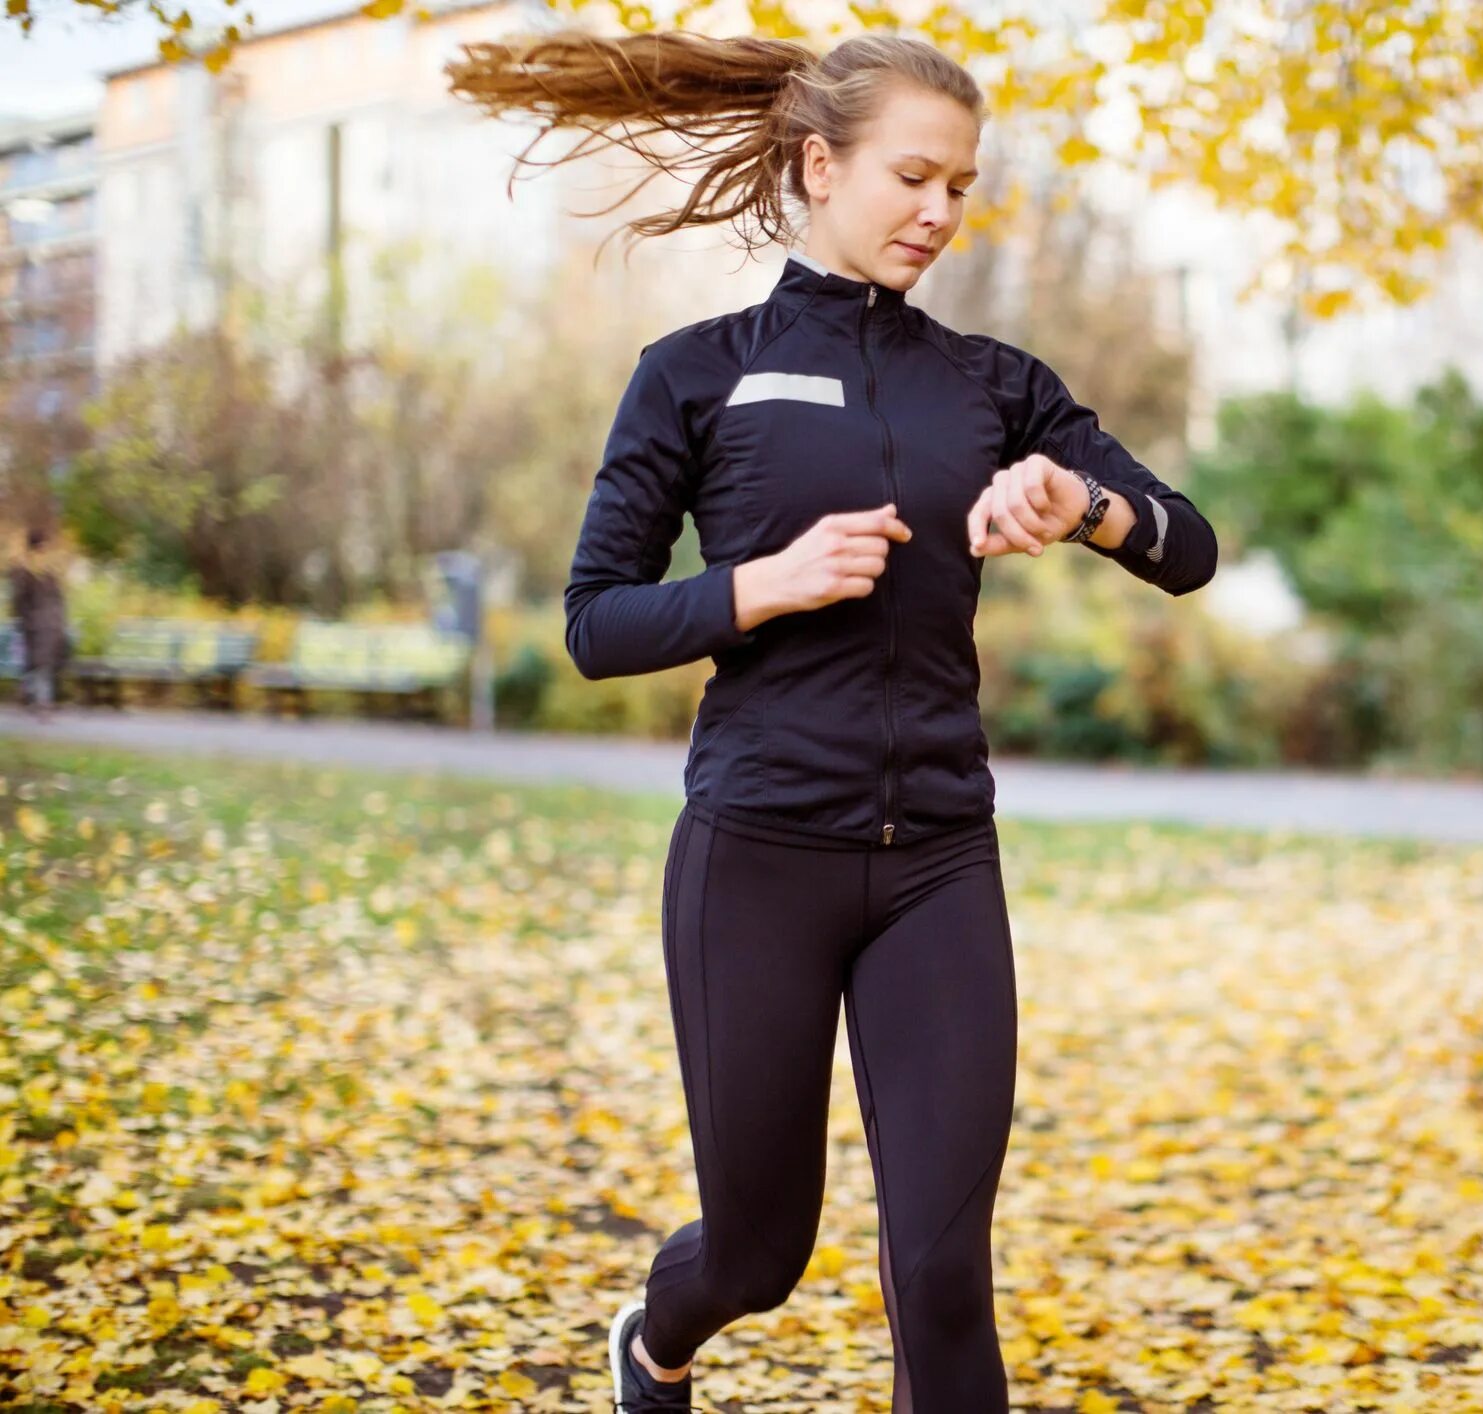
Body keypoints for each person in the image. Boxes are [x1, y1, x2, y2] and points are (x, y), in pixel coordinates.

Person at [447, 30, 1217, 1413]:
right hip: (757, 857)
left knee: (938, 1268)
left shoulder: (992, 385)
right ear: (820, 165)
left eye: (962, 187)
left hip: (938, 860)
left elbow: (1188, 545)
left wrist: (1078, 503)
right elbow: (593, 619)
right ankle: (654, 1340)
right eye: (913, 176)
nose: (940, 211)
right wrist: (757, 586)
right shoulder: (697, 370)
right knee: (757, 1249)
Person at [9, 525, 69, 722]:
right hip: (36, 627)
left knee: (40, 666)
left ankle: (35, 699)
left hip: (48, 627)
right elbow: (19, 601)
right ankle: (41, 704)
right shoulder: (27, 571)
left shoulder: (47, 572)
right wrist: (26, 621)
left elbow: (58, 600)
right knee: (39, 666)